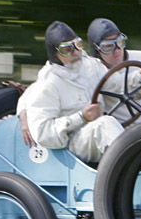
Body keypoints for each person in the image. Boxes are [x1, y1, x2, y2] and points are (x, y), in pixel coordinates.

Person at [16, 21, 132, 164]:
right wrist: (81, 117)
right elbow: (43, 134)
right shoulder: (48, 84)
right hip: (72, 145)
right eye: (67, 49)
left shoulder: (91, 66)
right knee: (105, 124)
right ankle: (133, 168)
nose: (76, 52)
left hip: (96, 136)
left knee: (138, 130)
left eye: (78, 45)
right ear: (55, 53)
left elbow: (118, 85)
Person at [86, 17, 141, 124]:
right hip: (117, 133)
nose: (116, 50)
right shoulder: (92, 71)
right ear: (96, 50)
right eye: (108, 46)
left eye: (119, 42)